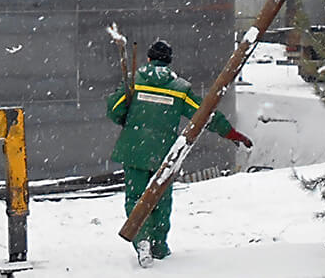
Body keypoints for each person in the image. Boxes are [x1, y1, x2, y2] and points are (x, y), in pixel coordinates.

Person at [105, 38, 252, 265]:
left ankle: (141, 239)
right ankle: (159, 246)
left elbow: (114, 109)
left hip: (134, 150)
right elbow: (205, 114)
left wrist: (126, 114)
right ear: (170, 62)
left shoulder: (134, 81)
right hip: (164, 155)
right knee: (161, 200)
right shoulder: (180, 89)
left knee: (135, 198)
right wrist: (230, 133)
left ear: (149, 59)